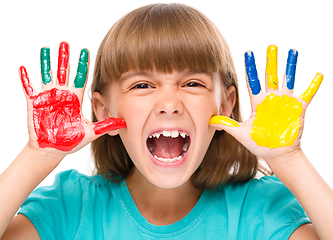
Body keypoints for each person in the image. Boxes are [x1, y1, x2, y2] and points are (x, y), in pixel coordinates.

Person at [0, 3, 332, 239]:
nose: (170, 104)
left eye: (193, 84)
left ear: (226, 104)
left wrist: (288, 158)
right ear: (103, 111)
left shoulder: (258, 210)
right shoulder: (71, 206)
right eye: (142, 85)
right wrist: (37, 156)